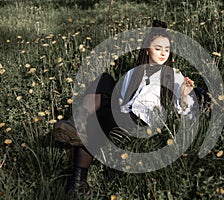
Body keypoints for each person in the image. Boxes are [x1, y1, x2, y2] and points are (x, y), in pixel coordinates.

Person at [53, 20, 203, 197]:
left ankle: (77, 124)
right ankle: (77, 183)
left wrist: (185, 95)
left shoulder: (174, 77)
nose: (163, 53)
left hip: (143, 124)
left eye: (166, 49)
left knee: (99, 113)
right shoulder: (133, 73)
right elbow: (123, 102)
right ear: (147, 49)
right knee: (105, 81)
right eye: (158, 48)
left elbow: (185, 114)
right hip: (124, 118)